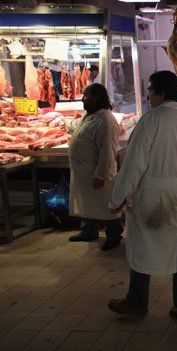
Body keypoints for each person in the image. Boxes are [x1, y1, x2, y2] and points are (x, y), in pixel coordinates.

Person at [107, 71, 177, 326]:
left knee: (141, 247)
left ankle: (137, 301)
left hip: (151, 194)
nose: (148, 95)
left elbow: (134, 165)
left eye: (150, 90)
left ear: (160, 93)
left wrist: (118, 197)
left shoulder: (150, 121)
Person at [67, 83, 123, 251]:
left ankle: (114, 235)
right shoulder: (90, 115)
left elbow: (108, 152)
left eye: (87, 96)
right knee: (88, 203)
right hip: (85, 171)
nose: (83, 99)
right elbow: (76, 126)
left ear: (97, 98)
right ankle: (88, 231)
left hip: (98, 173)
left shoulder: (106, 120)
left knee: (107, 205)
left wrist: (100, 175)